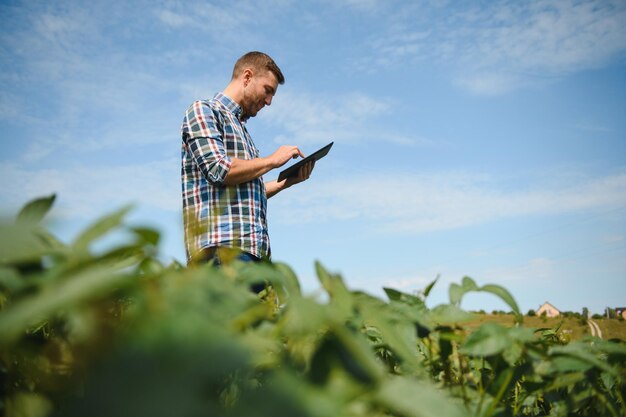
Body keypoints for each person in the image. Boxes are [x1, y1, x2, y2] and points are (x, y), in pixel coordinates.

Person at [181, 51, 314, 265]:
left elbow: (247, 192)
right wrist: (272, 160)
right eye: (267, 90)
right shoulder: (204, 110)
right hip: (221, 252)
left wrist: (286, 182)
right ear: (247, 77)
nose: (269, 101)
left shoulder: (243, 131)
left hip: (254, 254)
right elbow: (219, 169)